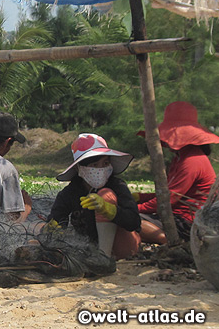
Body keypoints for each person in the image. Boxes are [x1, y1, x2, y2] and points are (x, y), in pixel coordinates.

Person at [135, 101, 219, 244]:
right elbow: (164, 193)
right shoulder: (180, 158)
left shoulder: (192, 161)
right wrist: (138, 197)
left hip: (186, 222)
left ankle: (169, 241)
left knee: (128, 219)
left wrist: (134, 208)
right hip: (175, 216)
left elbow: (169, 199)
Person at [47, 133, 141, 260]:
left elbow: (134, 222)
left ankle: (104, 258)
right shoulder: (69, 193)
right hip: (89, 246)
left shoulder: (117, 185)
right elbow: (56, 219)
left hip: (122, 247)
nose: (101, 169)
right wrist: (52, 228)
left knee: (106, 195)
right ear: (80, 168)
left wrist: (108, 210)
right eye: (94, 165)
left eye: (105, 163)